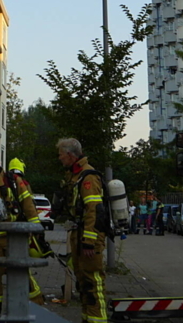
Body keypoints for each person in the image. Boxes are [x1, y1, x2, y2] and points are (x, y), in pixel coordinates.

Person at [0, 152, 44, 321]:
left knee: (21, 274)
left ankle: (36, 305)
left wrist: (36, 231)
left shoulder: (13, 181)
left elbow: (28, 205)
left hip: (13, 237)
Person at [57, 138, 108, 323]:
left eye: (61, 155)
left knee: (92, 283)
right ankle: (88, 318)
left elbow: (93, 210)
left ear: (70, 155)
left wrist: (89, 242)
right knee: (83, 283)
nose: (59, 158)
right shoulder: (76, 175)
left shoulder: (88, 177)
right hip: (79, 234)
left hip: (88, 238)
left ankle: (97, 319)